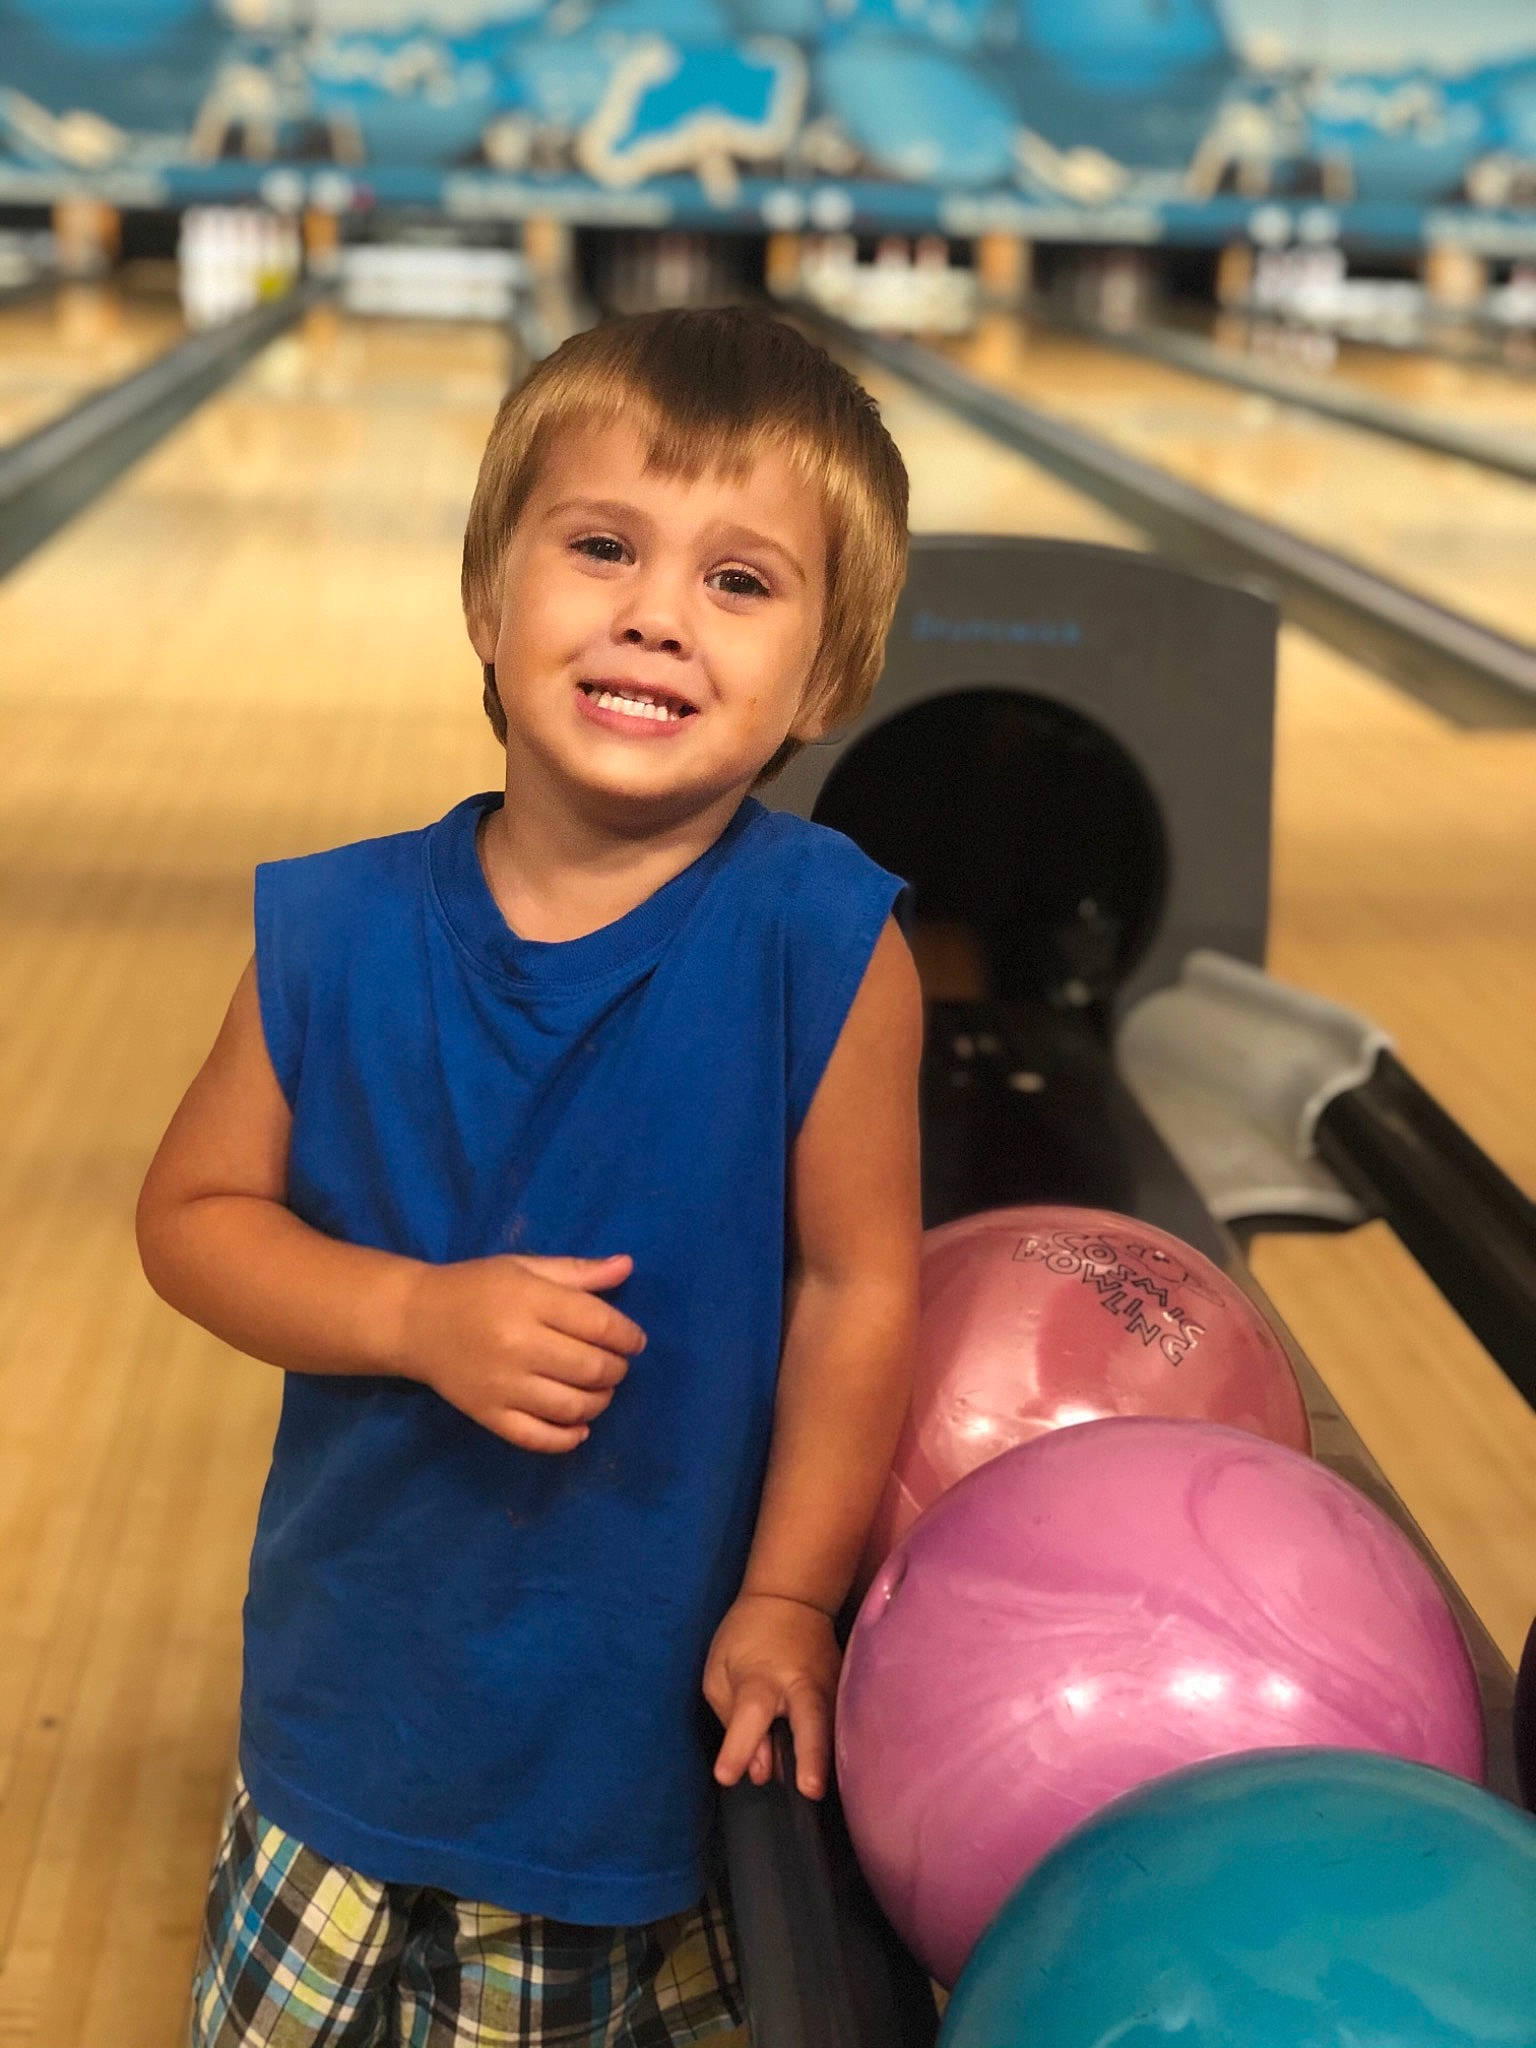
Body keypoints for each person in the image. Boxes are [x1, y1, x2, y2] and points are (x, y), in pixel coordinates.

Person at [136, 303, 925, 2047]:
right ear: (490, 601)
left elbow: (857, 1286)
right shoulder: (333, 928)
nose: (656, 609)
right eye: (601, 546)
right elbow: (190, 1224)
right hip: (342, 1738)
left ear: (831, 674)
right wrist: (410, 1314)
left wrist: (792, 1594)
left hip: (630, 1757)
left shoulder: (826, 943)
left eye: (742, 581)